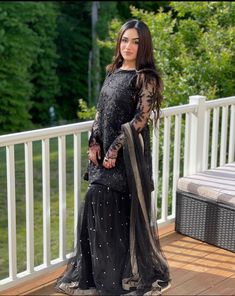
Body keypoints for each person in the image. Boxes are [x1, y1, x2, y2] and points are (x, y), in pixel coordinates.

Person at [56, 19, 171, 296]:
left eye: (135, 41)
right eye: (124, 40)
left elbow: (139, 121)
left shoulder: (147, 77)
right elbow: (100, 112)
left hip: (126, 160)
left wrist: (114, 149)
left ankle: (115, 279)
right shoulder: (114, 71)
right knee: (99, 212)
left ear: (144, 46)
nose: (128, 46)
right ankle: (95, 276)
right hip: (102, 158)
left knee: (106, 208)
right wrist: (94, 142)